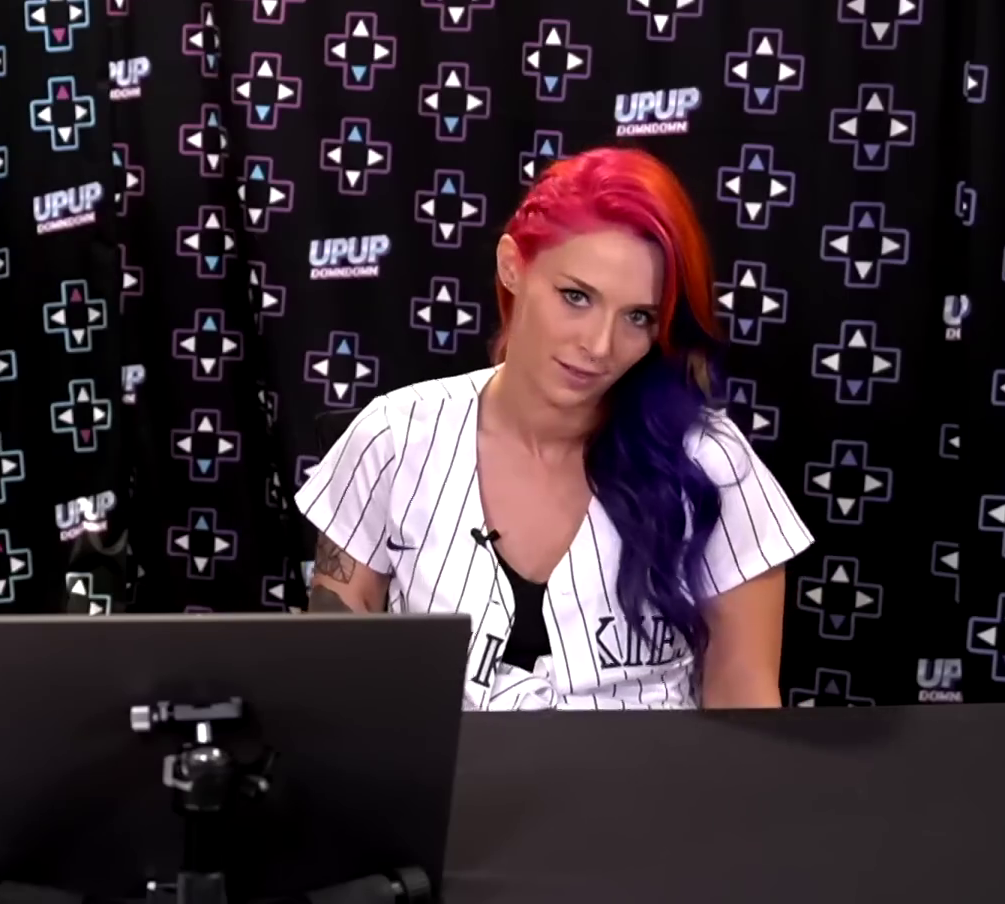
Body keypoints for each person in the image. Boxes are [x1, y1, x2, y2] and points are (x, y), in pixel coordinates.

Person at [298, 147, 813, 711]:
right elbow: (335, 661)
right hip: (445, 767)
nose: (599, 346)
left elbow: (744, 694)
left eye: (638, 316)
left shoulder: (710, 462)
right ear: (512, 266)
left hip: (649, 768)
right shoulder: (393, 438)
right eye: (576, 297)